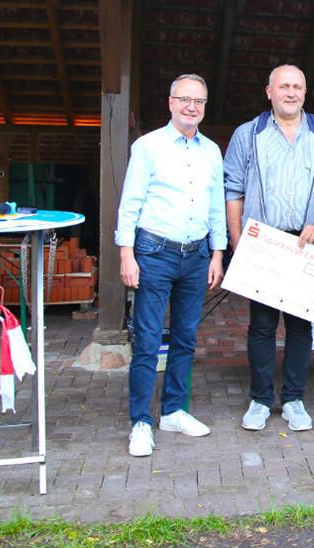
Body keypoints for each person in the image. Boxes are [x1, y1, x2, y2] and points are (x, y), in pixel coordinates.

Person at [224, 64, 314, 432]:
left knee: (300, 326)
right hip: (263, 241)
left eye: (297, 87)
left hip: (306, 243)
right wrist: (236, 242)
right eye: (284, 87)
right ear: (269, 92)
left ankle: (293, 399)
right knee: (261, 326)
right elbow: (233, 190)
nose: (290, 93)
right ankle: (260, 400)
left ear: (304, 93)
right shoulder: (249, 134)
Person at [116, 74, 226, 457]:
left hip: (197, 255)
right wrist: (126, 253)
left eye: (199, 101)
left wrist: (217, 253)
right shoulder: (148, 147)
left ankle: (174, 410)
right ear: (170, 103)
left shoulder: (212, 150)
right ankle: (140, 422)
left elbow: (215, 206)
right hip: (153, 252)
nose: (191, 106)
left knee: (185, 338)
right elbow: (130, 202)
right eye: (184, 99)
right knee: (147, 341)